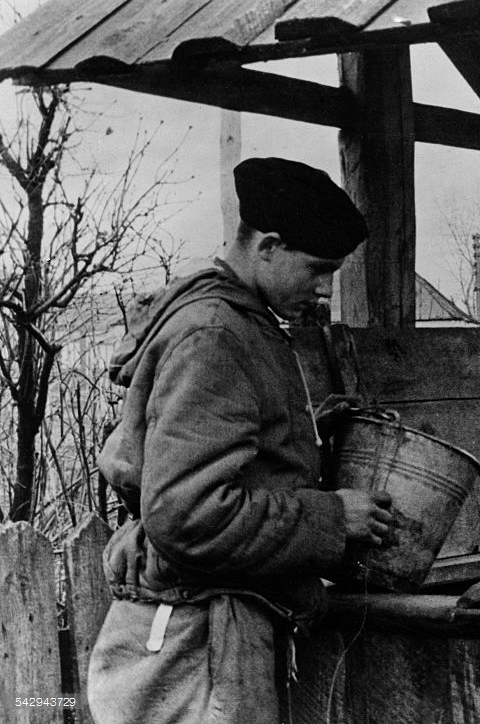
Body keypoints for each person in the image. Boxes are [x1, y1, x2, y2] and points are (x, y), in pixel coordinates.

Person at [87, 157, 394, 724]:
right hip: (196, 641)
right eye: (319, 269)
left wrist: (304, 427)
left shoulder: (235, 318)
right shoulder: (216, 334)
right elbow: (188, 515)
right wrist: (332, 519)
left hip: (211, 627)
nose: (326, 289)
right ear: (269, 246)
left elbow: (215, 440)